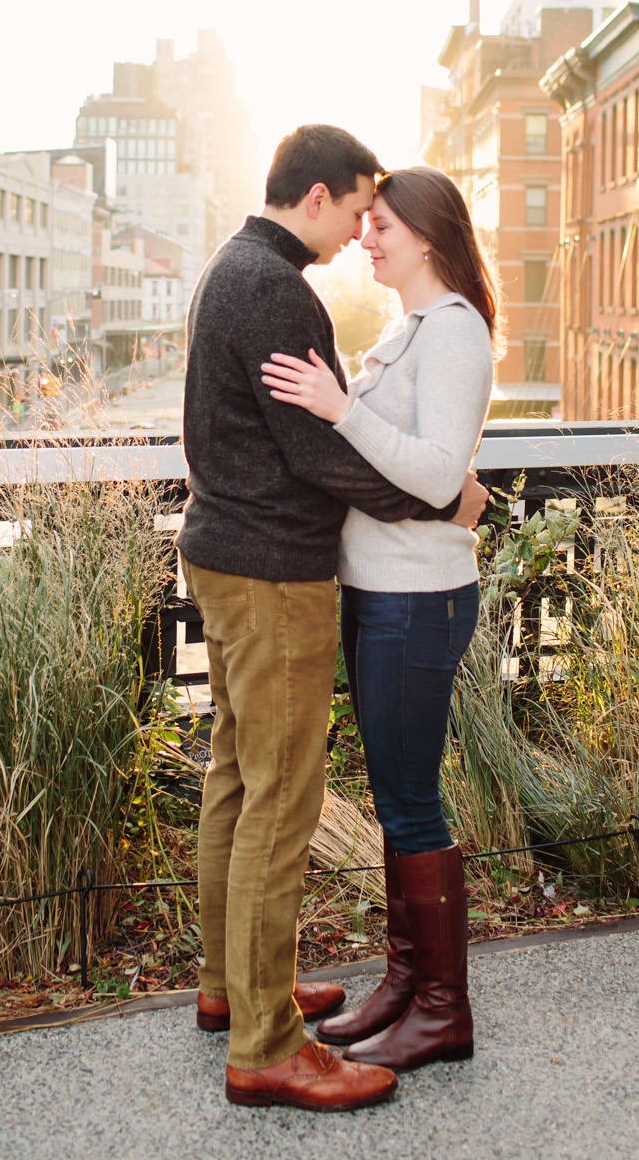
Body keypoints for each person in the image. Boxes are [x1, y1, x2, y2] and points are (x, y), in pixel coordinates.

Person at [177, 125, 487, 1113]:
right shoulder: (273, 289)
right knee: (277, 796)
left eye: (379, 220)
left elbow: (342, 439)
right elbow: (320, 454)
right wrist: (445, 499)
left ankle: (238, 986)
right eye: (358, 209)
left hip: (239, 556)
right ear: (316, 197)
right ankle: (267, 1038)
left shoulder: (237, 270)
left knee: (239, 777)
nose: (360, 231)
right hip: (270, 570)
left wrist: (432, 487)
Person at [258, 164, 495, 1071]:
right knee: (399, 800)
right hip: (379, 591)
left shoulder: (455, 332)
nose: (366, 238)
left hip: (418, 596)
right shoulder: (413, 328)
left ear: (428, 237)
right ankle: (406, 983)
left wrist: (340, 408)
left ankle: (443, 1009)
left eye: (383, 226)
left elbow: (438, 474)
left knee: (410, 803)